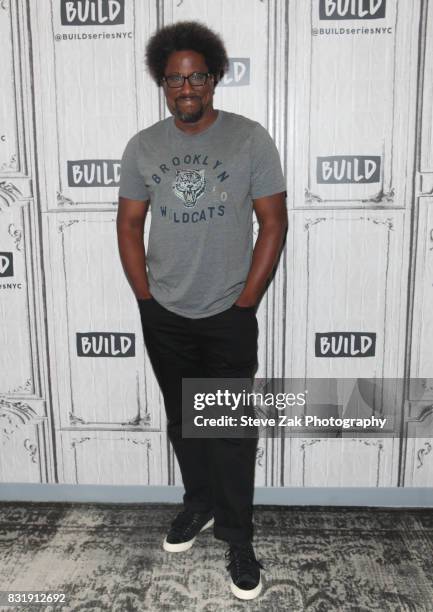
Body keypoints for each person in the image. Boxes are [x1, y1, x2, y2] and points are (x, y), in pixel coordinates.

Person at [116, 20, 287, 601]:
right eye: (174, 80)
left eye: (196, 77)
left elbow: (274, 222)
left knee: (231, 429)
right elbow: (130, 224)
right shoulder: (143, 146)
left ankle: (238, 536)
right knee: (183, 419)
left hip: (227, 313)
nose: (185, 88)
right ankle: (200, 505)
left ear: (214, 79)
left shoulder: (249, 139)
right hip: (165, 310)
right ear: (162, 83)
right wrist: (145, 298)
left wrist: (245, 303)